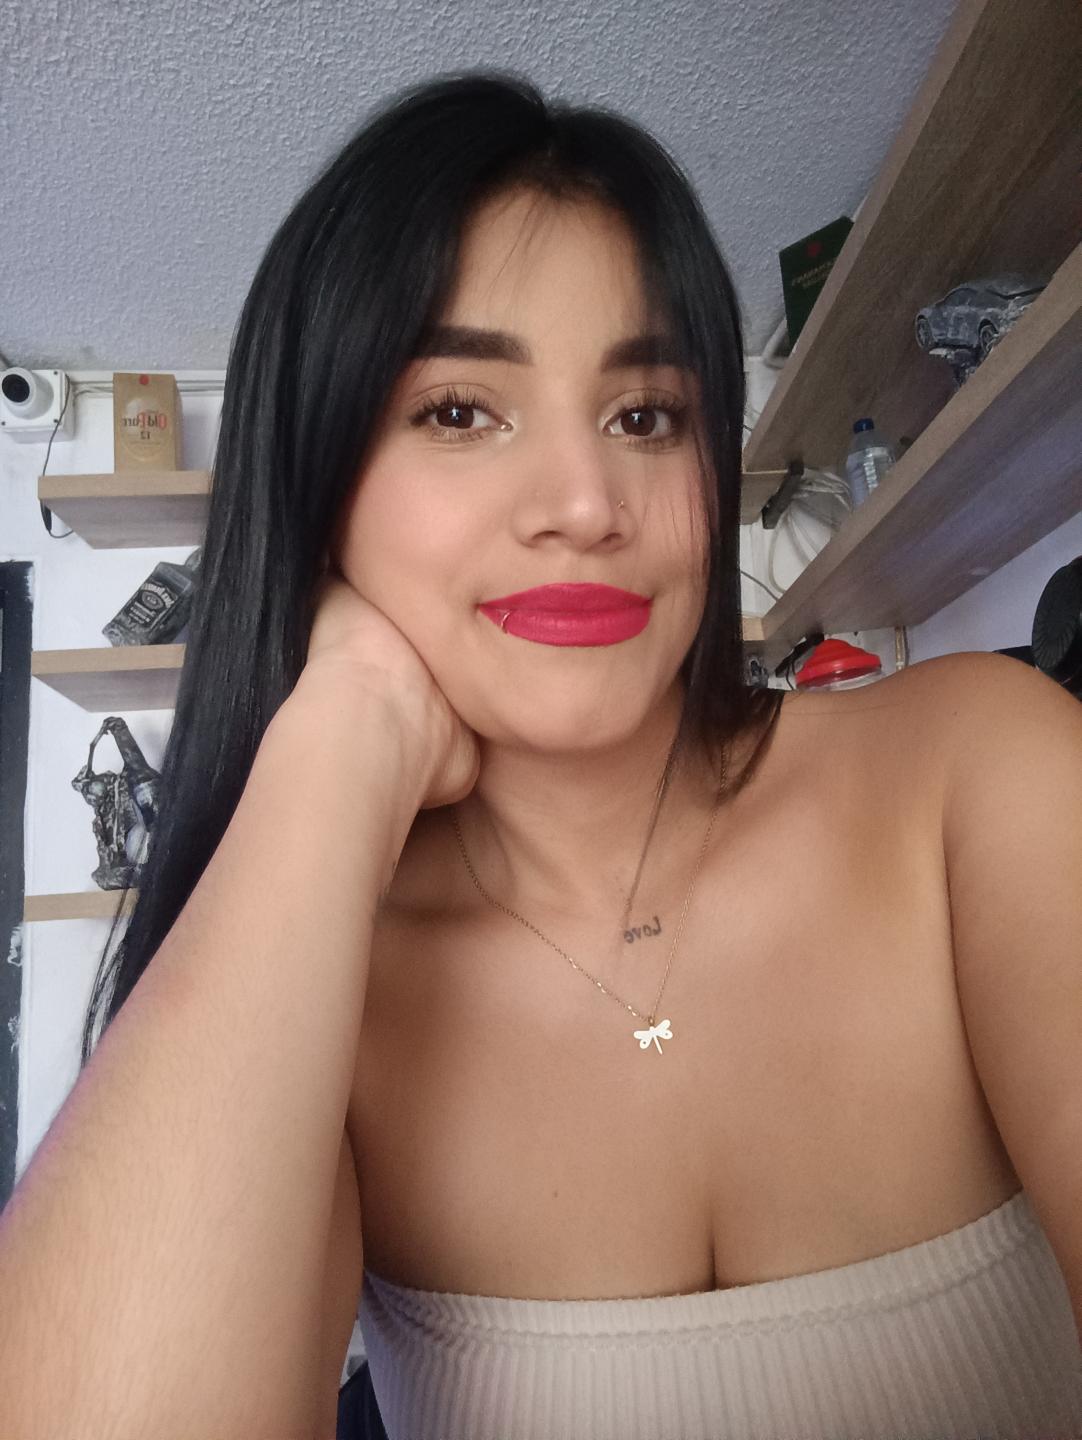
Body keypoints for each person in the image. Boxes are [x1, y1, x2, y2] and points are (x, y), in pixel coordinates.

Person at [2, 70, 1081, 1440]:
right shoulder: (319, 975)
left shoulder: (975, 772)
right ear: (320, 485)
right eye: (460, 411)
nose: (585, 503)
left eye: (645, 416)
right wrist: (341, 734)